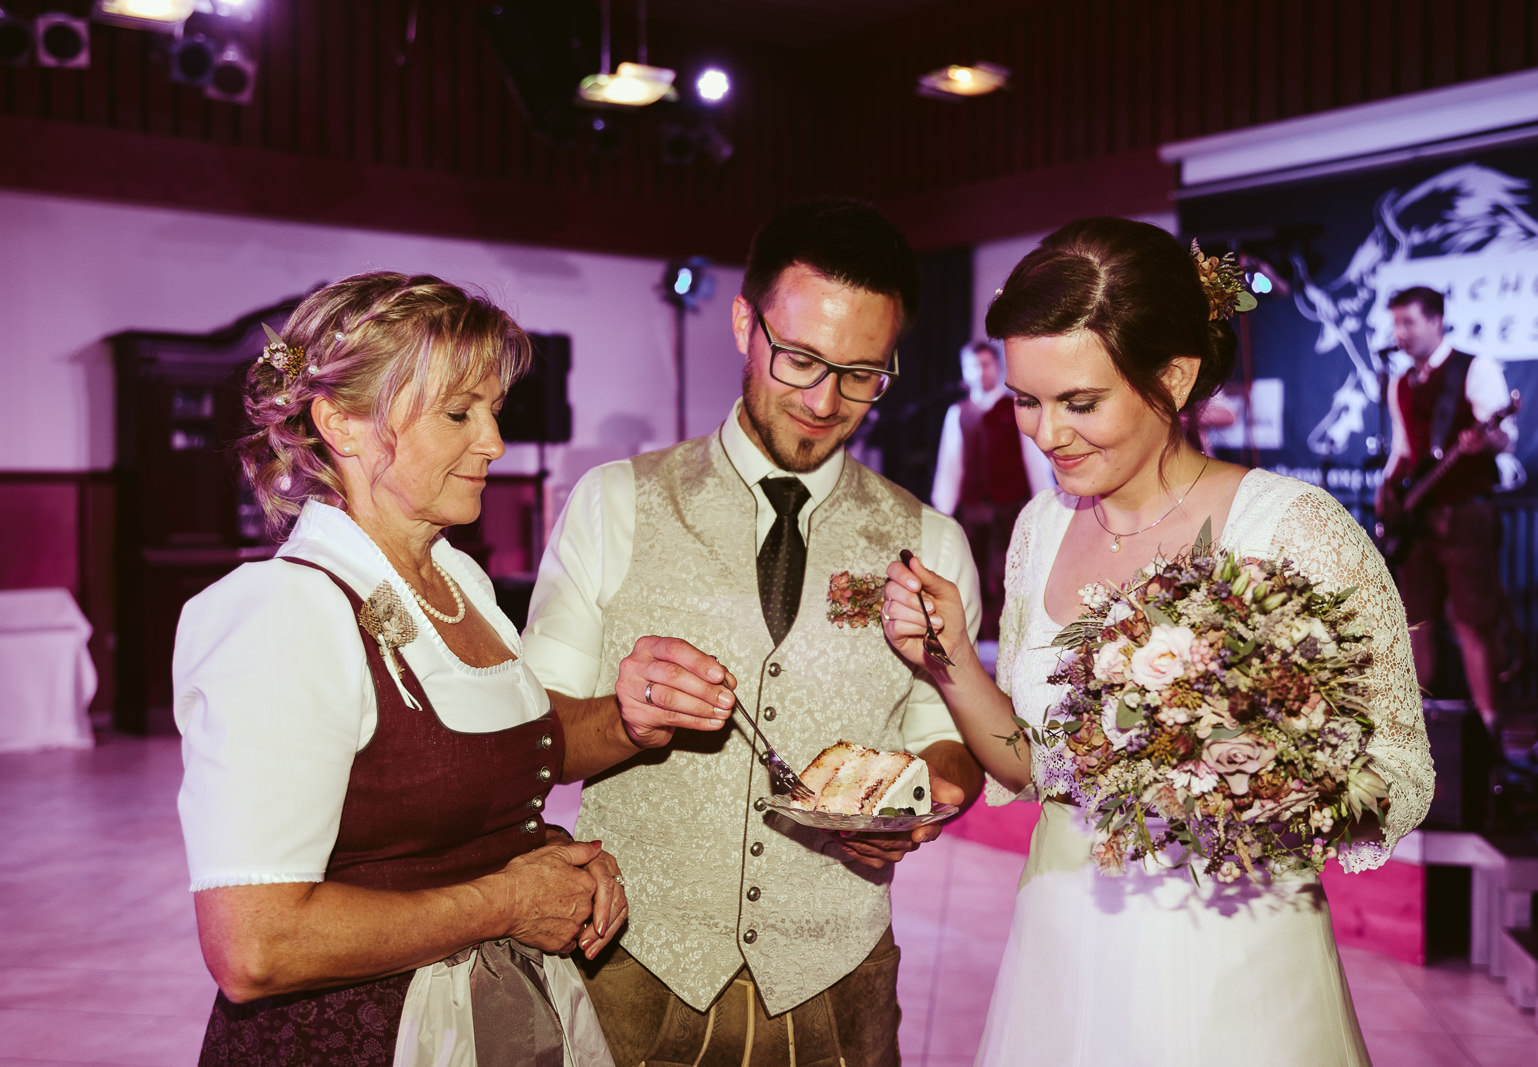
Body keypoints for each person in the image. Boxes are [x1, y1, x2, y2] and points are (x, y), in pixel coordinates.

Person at [880, 218, 1434, 1066]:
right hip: (1062, 943)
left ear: (1171, 378)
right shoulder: (1039, 528)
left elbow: (1395, 772)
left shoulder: (1293, 529)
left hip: (1232, 956)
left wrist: (1249, 776)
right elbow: (1031, 768)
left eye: (1080, 401)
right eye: (1027, 400)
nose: (1045, 433)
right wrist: (951, 651)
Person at [175, 272, 729, 1066]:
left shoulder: (455, 577)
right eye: (459, 413)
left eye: (494, 410)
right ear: (342, 423)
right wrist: (507, 899)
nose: (494, 442)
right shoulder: (284, 614)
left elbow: (482, 769)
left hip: (490, 1018)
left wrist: (569, 828)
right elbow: (255, 945)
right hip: (355, 1039)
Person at [523, 197, 986, 1066]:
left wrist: (921, 800)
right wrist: (625, 717)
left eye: (862, 373)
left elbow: (950, 744)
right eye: (801, 358)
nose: (824, 399)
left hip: (839, 983)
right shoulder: (615, 502)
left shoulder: (930, 542)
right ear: (745, 323)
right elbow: (531, 736)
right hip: (629, 971)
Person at [1376, 285, 1518, 740]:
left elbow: (1504, 434)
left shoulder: (1474, 368)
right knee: (1417, 621)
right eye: (1396, 323)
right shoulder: (1400, 382)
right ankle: (1417, 733)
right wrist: (1386, 489)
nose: (1400, 332)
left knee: (1473, 621)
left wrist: (1487, 440)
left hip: (1465, 513)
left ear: (1436, 321)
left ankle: (1489, 732)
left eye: (1409, 322)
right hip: (1416, 520)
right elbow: (1402, 447)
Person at [930, 340, 1055, 640]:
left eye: (984, 365)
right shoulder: (959, 413)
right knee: (972, 576)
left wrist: (1045, 503)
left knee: (1004, 578)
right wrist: (942, 513)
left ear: (996, 368)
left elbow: (1033, 460)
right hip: (974, 510)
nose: (979, 372)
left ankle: (1007, 641)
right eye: (972, 366)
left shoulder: (1015, 407)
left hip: (1010, 507)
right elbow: (950, 466)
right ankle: (978, 639)